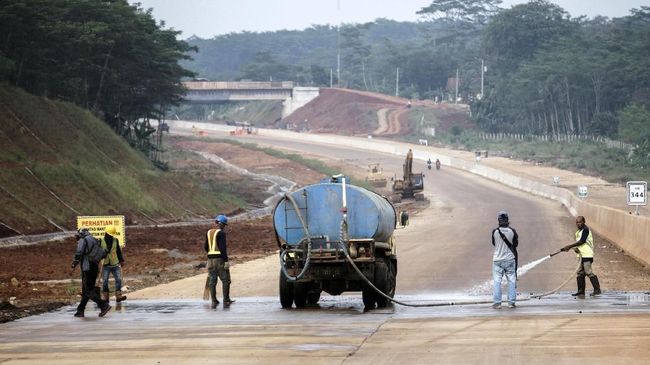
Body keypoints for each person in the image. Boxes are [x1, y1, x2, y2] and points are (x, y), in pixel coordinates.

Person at [71, 228, 111, 318]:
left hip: (87, 267)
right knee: (87, 290)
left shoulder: (83, 239)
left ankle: (103, 305)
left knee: (88, 290)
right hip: (94, 266)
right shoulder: (93, 239)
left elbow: (79, 252)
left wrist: (74, 263)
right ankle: (80, 310)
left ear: (81, 233)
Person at [560, 216, 601, 296]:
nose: (578, 224)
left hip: (587, 255)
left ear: (584, 222)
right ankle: (581, 291)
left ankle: (597, 289)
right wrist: (575, 248)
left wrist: (570, 246)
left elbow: (582, 241)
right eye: (577, 222)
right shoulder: (578, 231)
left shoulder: (585, 230)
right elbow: (579, 243)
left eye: (579, 222)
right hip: (581, 255)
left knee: (588, 272)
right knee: (580, 273)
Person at [204, 214, 234, 307]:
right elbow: (223, 248)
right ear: (221, 224)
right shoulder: (221, 233)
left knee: (212, 281)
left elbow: (205, 247)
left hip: (210, 260)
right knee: (226, 280)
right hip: (219, 260)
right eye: (224, 225)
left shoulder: (208, 232)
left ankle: (214, 300)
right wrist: (226, 261)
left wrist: (210, 254)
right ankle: (226, 299)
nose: (224, 227)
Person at [491, 211, 519, 309]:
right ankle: (511, 303)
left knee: (497, 281)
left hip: (497, 260)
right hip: (510, 260)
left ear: (499, 220)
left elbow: (494, 243)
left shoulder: (495, 231)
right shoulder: (512, 231)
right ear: (507, 220)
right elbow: (515, 244)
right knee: (511, 280)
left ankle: (497, 303)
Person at [100, 225, 127, 303]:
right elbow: (98, 252)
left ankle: (118, 296)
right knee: (105, 281)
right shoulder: (101, 241)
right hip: (105, 264)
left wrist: (121, 260)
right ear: (106, 233)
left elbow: (118, 251)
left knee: (118, 279)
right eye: (109, 234)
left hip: (115, 263)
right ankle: (106, 297)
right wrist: (102, 254)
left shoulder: (116, 240)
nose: (110, 236)